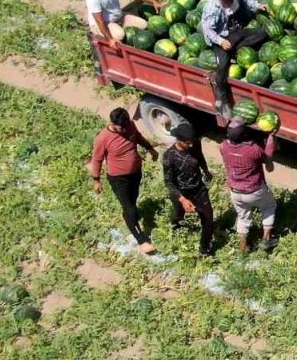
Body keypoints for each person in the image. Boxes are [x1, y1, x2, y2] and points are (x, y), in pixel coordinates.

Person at [90, 107, 159, 254]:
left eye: (126, 126)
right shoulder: (103, 138)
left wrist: (150, 149)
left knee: (132, 202)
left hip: (135, 173)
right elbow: (96, 160)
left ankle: (128, 216)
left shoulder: (130, 125)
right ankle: (142, 240)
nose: (124, 130)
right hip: (118, 178)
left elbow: (138, 137)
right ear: (113, 123)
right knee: (131, 209)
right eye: (121, 127)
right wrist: (96, 180)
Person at [200, 0, 268, 117]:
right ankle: (222, 101)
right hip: (221, 36)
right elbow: (208, 30)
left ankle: (235, 50)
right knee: (222, 68)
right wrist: (220, 41)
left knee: (262, 33)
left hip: (235, 31)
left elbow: (246, 0)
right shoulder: (212, 7)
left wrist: (257, 5)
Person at [220, 120, 278, 253]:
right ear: (246, 135)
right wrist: (271, 139)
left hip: (235, 191)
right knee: (269, 206)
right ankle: (266, 239)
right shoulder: (253, 150)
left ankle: (243, 246)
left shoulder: (223, 146)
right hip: (255, 190)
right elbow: (269, 166)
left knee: (243, 217)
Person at [161, 122, 215, 257]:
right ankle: (175, 225)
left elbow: (200, 156)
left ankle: (204, 249)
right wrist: (183, 199)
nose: (190, 145)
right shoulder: (169, 156)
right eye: (187, 143)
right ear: (178, 140)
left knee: (208, 219)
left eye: (191, 141)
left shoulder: (194, 143)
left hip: (198, 189)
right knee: (179, 214)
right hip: (181, 192)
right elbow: (168, 181)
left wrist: (205, 170)